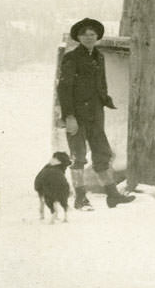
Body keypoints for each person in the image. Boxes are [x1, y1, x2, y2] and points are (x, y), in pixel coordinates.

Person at [57, 18, 135, 209]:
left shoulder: (99, 56)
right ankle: (80, 198)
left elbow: (101, 83)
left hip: (95, 113)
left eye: (92, 34)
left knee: (102, 153)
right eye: (84, 34)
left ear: (97, 36)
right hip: (77, 114)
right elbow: (64, 88)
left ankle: (112, 195)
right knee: (78, 156)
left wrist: (105, 99)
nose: (89, 37)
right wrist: (69, 117)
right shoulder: (71, 57)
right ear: (78, 37)